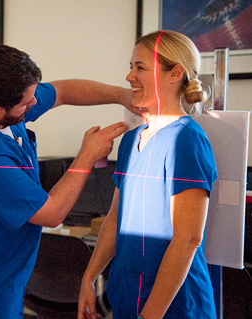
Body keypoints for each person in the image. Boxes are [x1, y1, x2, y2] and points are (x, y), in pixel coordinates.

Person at [0, 43, 140, 319]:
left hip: (9, 273)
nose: (34, 104)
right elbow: (53, 212)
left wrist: (123, 96)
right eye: (27, 103)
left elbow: (63, 92)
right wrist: (86, 156)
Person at [78, 30, 217, 319]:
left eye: (139, 67)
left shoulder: (186, 140)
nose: (130, 76)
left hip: (174, 305)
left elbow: (188, 238)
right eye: (130, 67)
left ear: (175, 73)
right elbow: (116, 217)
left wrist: (149, 315)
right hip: (128, 294)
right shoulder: (132, 140)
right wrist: (89, 278)